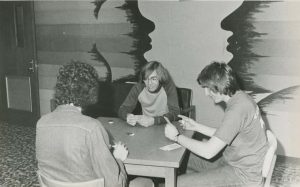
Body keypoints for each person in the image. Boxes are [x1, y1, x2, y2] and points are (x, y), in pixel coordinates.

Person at [36, 61, 152, 187]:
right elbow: (116, 184)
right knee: (146, 182)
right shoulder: (92, 127)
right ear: (90, 91)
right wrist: (119, 159)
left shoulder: (42, 123)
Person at [165, 61, 269, 187]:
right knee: (184, 158)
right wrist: (196, 126)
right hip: (233, 161)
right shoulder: (240, 98)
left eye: (208, 88)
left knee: (175, 183)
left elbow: (208, 151)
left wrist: (176, 137)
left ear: (219, 85)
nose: (206, 93)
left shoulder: (237, 109)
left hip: (242, 175)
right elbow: (227, 133)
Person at [118, 61, 180, 127]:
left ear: (160, 78)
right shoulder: (138, 88)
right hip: (146, 126)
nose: (149, 83)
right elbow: (122, 109)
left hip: (166, 125)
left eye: (153, 79)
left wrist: (154, 120)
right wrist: (127, 116)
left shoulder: (168, 87)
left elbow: (175, 113)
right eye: (146, 79)